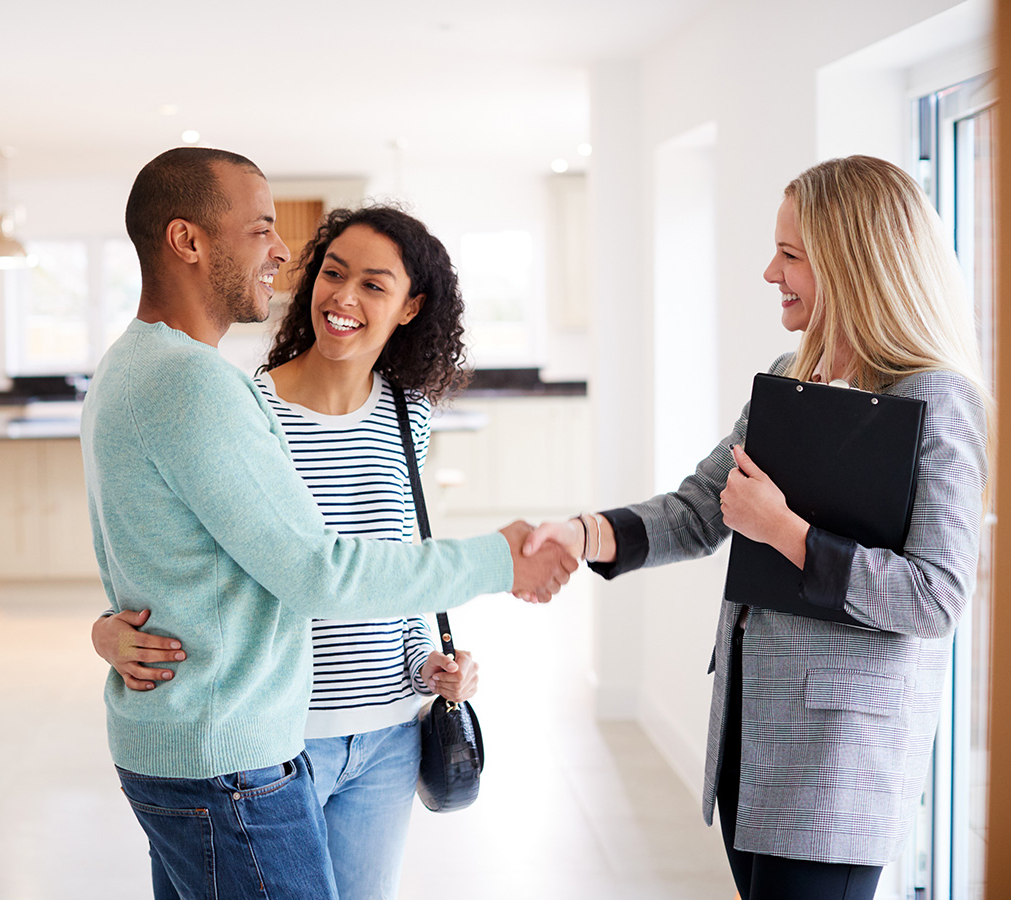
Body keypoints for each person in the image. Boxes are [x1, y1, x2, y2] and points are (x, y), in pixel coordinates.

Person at [81, 146, 575, 900]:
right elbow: (316, 570)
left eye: (373, 281)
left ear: (409, 306)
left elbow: (179, 552)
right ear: (188, 241)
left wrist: (426, 661)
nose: (285, 254)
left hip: (294, 737)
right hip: (242, 749)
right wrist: (498, 561)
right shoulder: (207, 389)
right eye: (262, 229)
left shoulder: (144, 368)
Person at [525, 155, 989, 900]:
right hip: (754, 734)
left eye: (791, 255)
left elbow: (934, 600)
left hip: (839, 761)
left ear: (853, 262)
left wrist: (787, 532)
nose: (770, 272)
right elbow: (697, 511)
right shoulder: (791, 370)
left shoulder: (937, 397)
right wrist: (582, 534)